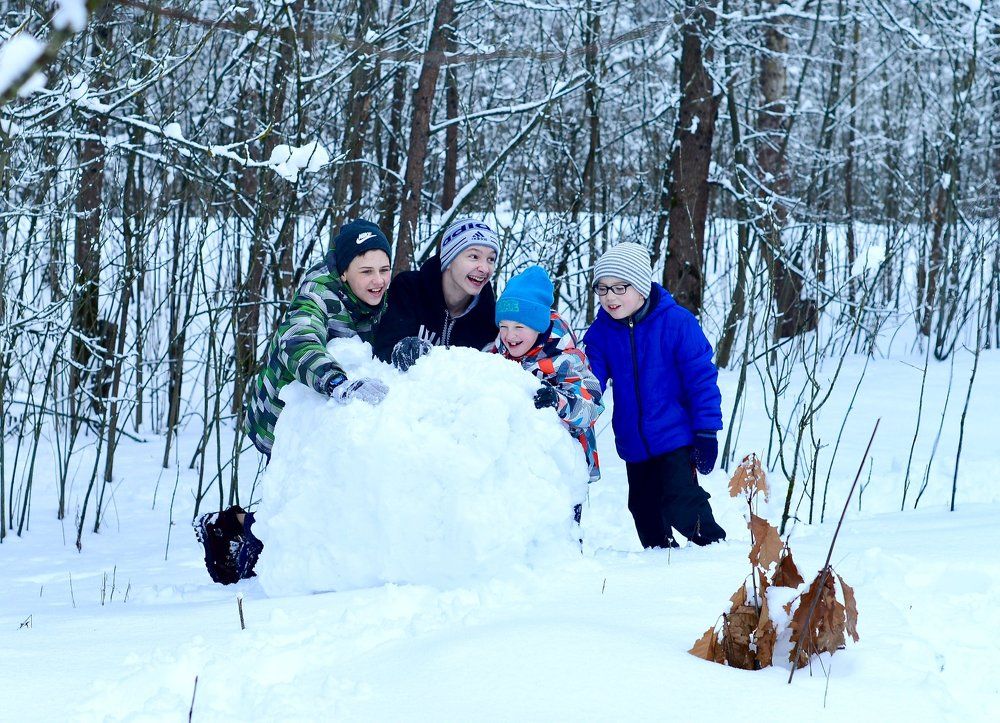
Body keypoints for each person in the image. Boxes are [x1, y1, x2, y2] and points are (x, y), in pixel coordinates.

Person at [198, 220, 393, 585]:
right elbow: (298, 339)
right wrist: (336, 382)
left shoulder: (379, 297)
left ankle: (237, 529)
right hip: (282, 420)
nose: (378, 280)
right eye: (366, 271)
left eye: (383, 269)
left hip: (326, 419)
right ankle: (239, 552)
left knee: (316, 500)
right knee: (305, 506)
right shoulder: (317, 294)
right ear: (344, 271)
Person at [582, 242, 726, 549]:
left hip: (675, 436)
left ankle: (715, 550)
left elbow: (701, 379)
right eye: (603, 288)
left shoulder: (676, 323)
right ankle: (659, 564)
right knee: (643, 510)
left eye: (620, 287)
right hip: (633, 442)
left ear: (642, 287)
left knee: (682, 503)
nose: (610, 297)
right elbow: (590, 381)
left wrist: (706, 430)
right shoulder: (601, 333)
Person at [491, 266, 605, 525]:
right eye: (504, 326)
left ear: (539, 325)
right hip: (522, 465)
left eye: (520, 326)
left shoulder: (567, 359)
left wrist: (557, 399)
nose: (510, 335)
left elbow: (592, 404)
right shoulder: (497, 356)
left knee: (559, 528)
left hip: (564, 465)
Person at [374, 217, 500, 370]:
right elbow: (384, 351)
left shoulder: (489, 316)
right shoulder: (409, 290)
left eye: (490, 259)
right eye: (474, 256)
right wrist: (403, 350)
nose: (485, 268)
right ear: (449, 259)